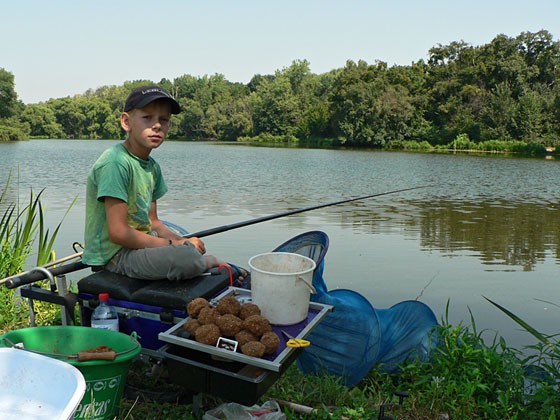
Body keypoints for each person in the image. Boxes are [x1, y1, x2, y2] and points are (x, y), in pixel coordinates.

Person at [82, 85, 227, 281]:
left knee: (187, 246)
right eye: (147, 118)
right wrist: (175, 246)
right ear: (126, 122)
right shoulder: (115, 163)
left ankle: (192, 258)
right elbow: (118, 233)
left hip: (139, 247)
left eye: (164, 120)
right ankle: (206, 262)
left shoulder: (152, 167)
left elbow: (154, 222)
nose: (157, 125)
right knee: (184, 257)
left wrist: (180, 240)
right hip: (115, 255)